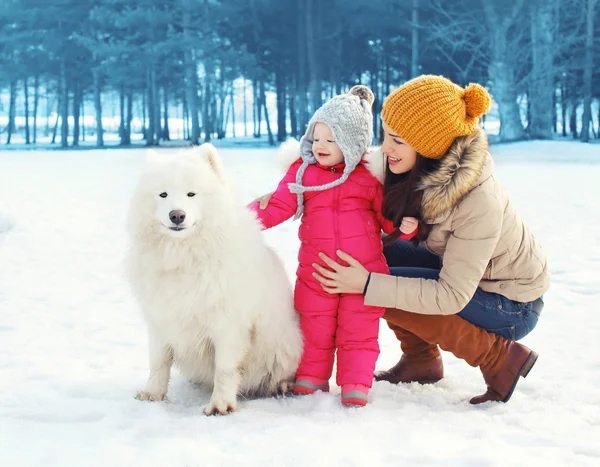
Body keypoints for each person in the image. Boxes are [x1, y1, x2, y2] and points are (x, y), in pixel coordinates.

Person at [258, 75, 550, 405]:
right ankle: (421, 360)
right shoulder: (406, 160)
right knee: (371, 254)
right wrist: (292, 195)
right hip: (461, 271)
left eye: (396, 140)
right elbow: (345, 170)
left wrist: (368, 283)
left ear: (429, 146)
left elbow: (450, 295)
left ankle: (499, 358)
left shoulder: (479, 202)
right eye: (385, 136)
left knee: (379, 282)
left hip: (509, 302)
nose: (383, 148)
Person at [249, 85, 417, 407]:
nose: (321, 145)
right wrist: (241, 219)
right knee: (314, 327)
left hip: (363, 272)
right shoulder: (302, 173)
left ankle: (356, 384)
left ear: (353, 144)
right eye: (316, 137)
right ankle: (311, 378)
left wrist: (404, 226)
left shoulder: (369, 177)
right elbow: (279, 206)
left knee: (359, 330)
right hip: (317, 273)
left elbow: (388, 219)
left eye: (331, 139)